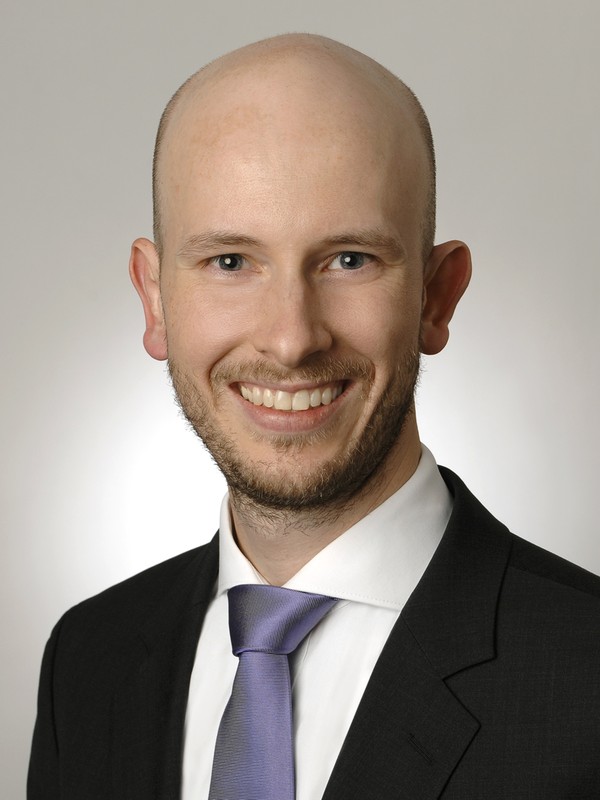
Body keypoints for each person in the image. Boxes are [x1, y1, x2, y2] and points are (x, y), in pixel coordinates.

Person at [28, 34, 600, 800]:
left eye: (349, 260)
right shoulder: (87, 659)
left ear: (436, 297)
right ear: (154, 299)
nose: (291, 339)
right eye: (231, 262)